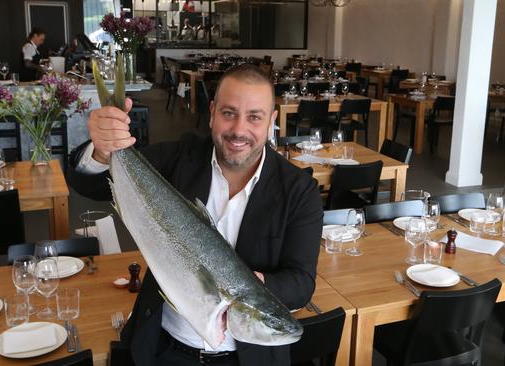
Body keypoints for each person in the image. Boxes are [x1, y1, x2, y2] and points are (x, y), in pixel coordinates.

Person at [66, 64, 323, 365]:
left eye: (254, 117)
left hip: (250, 359)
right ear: (212, 112)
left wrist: (248, 291)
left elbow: (302, 283)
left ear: (272, 122)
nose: (239, 130)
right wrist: (102, 150)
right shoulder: (179, 158)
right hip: (165, 350)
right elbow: (89, 184)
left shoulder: (299, 190)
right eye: (229, 113)